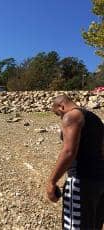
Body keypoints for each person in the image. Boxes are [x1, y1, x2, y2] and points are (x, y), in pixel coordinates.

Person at [45, 95, 104, 229]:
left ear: (62, 107)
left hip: (80, 181)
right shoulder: (95, 119)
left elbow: (68, 152)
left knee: (74, 226)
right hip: (99, 181)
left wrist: (51, 181)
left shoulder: (71, 116)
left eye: (58, 114)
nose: (60, 118)